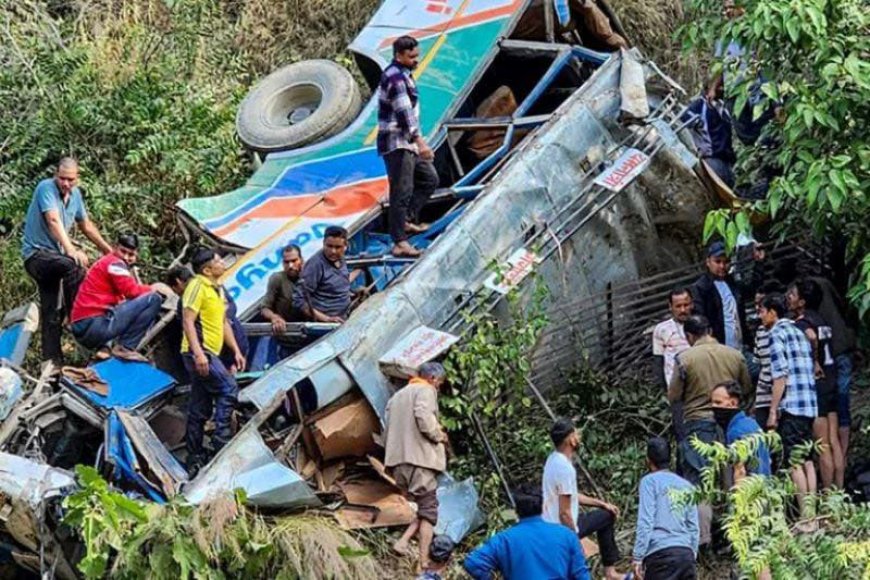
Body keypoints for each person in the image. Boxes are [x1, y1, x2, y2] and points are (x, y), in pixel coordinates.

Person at [668, 314, 750, 546]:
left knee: (699, 482)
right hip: (729, 423)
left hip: (697, 424)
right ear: (711, 331)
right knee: (733, 477)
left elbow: (673, 396)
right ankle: (736, 534)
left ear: (689, 336)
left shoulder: (684, 359)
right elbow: (745, 388)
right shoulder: (735, 355)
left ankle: (703, 539)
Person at [21, 157, 113, 364]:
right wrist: (71, 250)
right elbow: (53, 220)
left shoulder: (76, 195)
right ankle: (77, 317)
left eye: (70, 179)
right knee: (74, 266)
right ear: (56, 175)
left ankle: (52, 365)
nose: (66, 183)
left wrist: (110, 252)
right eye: (62, 178)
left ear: (77, 179)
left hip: (55, 259)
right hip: (37, 256)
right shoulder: (46, 188)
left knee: (51, 312)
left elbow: (86, 226)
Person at [181, 248, 246, 473]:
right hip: (199, 352)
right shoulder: (197, 285)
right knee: (229, 388)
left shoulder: (217, 290)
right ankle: (222, 441)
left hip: (210, 353)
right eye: (217, 260)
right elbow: (188, 320)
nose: (221, 262)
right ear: (207, 269)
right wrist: (198, 353)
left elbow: (224, 323)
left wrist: (236, 350)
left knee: (199, 407)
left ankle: (194, 454)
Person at [377, 35, 439, 258]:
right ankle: (399, 242)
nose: (416, 60)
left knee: (429, 179)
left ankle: (406, 221)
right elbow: (405, 114)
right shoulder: (395, 78)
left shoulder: (404, 75)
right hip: (398, 143)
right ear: (399, 56)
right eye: (412, 56)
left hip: (407, 144)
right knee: (401, 191)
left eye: (417, 55)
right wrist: (420, 142)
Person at [383, 362, 449, 570]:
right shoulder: (426, 390)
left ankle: (402, 541)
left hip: (398, 462)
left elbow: (386, 429)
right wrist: (438, 435)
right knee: (429, 511)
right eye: (439, 383)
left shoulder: (396, 397)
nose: (438, 388)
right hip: (419, 461)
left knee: (423, 507)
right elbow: (423, 416)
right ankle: (423, 562)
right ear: (432, 379)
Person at [759, 293, 817, 523]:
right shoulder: (799, 332)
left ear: (773, 312)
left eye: (763, 311)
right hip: (809, 405)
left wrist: (773, 410)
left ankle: (805, 517)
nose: (760, 316)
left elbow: (780, 376)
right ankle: (813, 514)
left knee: (794, 463)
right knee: (808, 460)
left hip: (791, 405)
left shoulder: (776, 335)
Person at [542, 418, 623, 580]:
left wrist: (602, 504)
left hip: (552, 525)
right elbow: (564, 513)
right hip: (561, 529)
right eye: (576, 434)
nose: (579, 437)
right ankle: (610, 572)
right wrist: (575, 541)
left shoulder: (553, 459)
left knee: (606, 515)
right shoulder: (564, 468)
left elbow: (571, 495)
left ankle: (610, 572)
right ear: (570, 439)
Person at [69, 233, 171, 360]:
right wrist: (154, 288)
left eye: (131, 254)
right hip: (92, 325)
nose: (126, 257)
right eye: (123, 251)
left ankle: (105, 348)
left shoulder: (105, 263)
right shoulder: (114, 263)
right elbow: (131, 291)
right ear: (114, 247)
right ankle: (126, 347)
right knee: (153, 299)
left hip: (84, 327)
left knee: (120, 305)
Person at [464, 483, 591, 580]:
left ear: (516, 510)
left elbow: (473, 563)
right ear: (543, 506)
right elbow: (581, 575)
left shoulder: (504, 539)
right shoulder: (567, 535)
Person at [788, 279, 843, 489]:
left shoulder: (803, 325)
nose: (789, 299)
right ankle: (840, 489)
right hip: (832, 382)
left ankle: (829, 494)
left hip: (817, 387)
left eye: (792, 295)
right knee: (834, 440)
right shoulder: (822, 321)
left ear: (802, 302)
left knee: (822, 445)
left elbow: (811, 339)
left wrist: (813, 360)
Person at [632, 437, 699, 580]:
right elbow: (693, 526)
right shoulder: (687, 486)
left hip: (661, 555)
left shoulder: (649, 482)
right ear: (671, 458)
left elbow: (646, 521)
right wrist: (691, 553)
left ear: (648, 460)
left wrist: (638, 557)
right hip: (685, 554)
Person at [808, 275, 857, 460]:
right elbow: (844, 304)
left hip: (828, 355)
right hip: (842, 345)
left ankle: (834, 456)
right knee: (842, 401)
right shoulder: (825, 283)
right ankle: (842, 456)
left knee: (831, 405)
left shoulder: (808, 317)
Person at [690, 240, 762, 351]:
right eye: (717, 262)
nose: (722, 266)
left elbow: (751, 290)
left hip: (741, 346)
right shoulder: (701, 288)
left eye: (726, 262)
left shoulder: (732, 283)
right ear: (708, 262)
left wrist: (759, 263)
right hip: (718, 350)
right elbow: (700, 320)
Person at [652, 287, 693, 440]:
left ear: (692, 304)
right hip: (677, 391)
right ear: (670, 307)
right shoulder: (661, 330)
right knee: (682, 434)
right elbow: (658, 362)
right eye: (678, 306)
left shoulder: (699, 324)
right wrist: (665, 392)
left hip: (699, 388)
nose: (683, 310)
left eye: (686, 305)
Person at [711, 380, 772, 481]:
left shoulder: (736, 431)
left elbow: (740, 471)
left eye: (718, 402)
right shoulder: (752, 424)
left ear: (733, 402)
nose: (714, 407)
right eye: (712, 402)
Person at [293, 226, 352, 323]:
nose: (333, 251)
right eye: (329, 246)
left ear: (345, 246)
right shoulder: (315, 265)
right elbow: (299, 301)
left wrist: (351, 294)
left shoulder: (340, 258)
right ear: (323, 243)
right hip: (327, 324)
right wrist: (326, 319)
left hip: (344, 316)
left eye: (338, 247)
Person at [752, 282, 782, 432]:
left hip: (783, 394)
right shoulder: (760, 331)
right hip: (763, 395)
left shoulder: (785, 331)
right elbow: (760, 363)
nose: (758, 311)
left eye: (761, 307)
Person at [261, 244, 304, 334]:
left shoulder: (312, 275)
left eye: (294, 261)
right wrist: (274, 317)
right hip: (289, 334)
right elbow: (264, 308)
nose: (290, 265)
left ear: (301, 260)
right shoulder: (277, 279)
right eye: (286, 262)